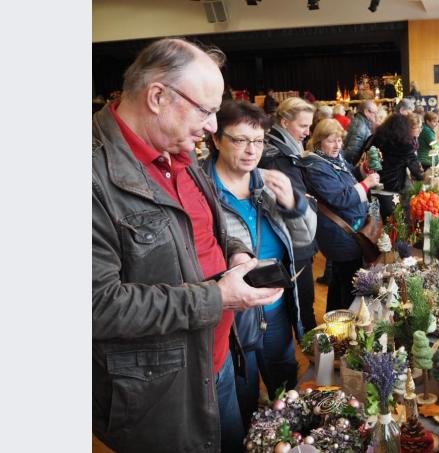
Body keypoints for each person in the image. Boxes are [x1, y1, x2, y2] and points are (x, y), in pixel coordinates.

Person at [93, 38, 285, 453]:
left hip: (215, 362)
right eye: (206, 110)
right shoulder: (91, 176)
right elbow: (96, 307)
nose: (214, 126)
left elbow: (208, 223)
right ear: (158, 96)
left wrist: (235, 250)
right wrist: (216, 297)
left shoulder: (179, 154)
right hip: (159, 394)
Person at [202, 100, 317, 430]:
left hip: (276, 307)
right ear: (216, 140)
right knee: (243, 397)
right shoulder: (202, 189)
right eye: (240, 140)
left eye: (258, 140)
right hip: (233, 319)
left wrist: (293, 204)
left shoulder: (266, 182)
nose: (252, 150)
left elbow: (305, 238)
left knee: (286, 389)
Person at [302, 119, 380, 310]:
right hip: (341, 234)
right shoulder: (316, 166)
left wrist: (363, 169)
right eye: (331, 140)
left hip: (346, 231)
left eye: (339, 140)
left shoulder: (331, 158)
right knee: (348, 282)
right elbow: (340, 197)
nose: (337, 145)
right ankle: (346, 323)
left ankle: (335, 321)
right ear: (319, 141)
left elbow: (348, 176)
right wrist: (367, 184)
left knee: (340, 280)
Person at [258, 97, 319, 332]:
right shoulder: (278, 156)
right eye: (303, 125)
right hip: (294, 243)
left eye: (309, 126)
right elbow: (293, 200)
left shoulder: (286, 148)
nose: (307, 131)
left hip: (295, 238)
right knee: (303, 307)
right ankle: (313, 356)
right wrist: (307, 203)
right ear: (284, 121)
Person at [371, 112, 424, 220]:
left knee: (378, 221)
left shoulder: (377, 138)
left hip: (374, 185)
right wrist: (423, 176)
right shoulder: (405, 144)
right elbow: (416, 171)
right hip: (394, 189)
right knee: (398, 221)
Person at [344, 100, 378, 165]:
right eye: (375, 113)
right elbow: (352, 153)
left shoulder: (359, 122)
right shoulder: (361, 127)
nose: (376, 116)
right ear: (366, 112)